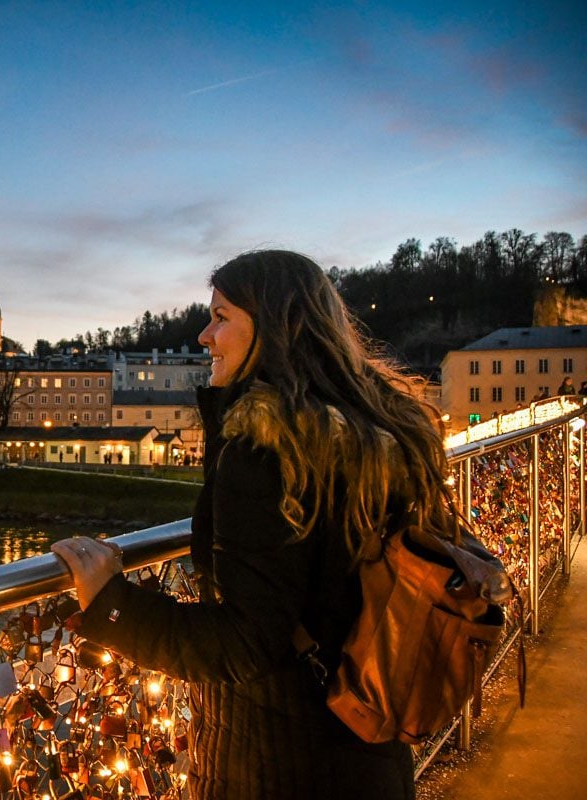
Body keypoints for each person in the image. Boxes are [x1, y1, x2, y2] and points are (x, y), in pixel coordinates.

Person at [52, 250, 454, 800]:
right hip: (368, 743)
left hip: (281, 763)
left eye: (221, 317)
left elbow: (243, 643)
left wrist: (111, 605)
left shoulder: (269, 447)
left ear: (272, 327)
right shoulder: (378, 432)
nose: (203, 335)